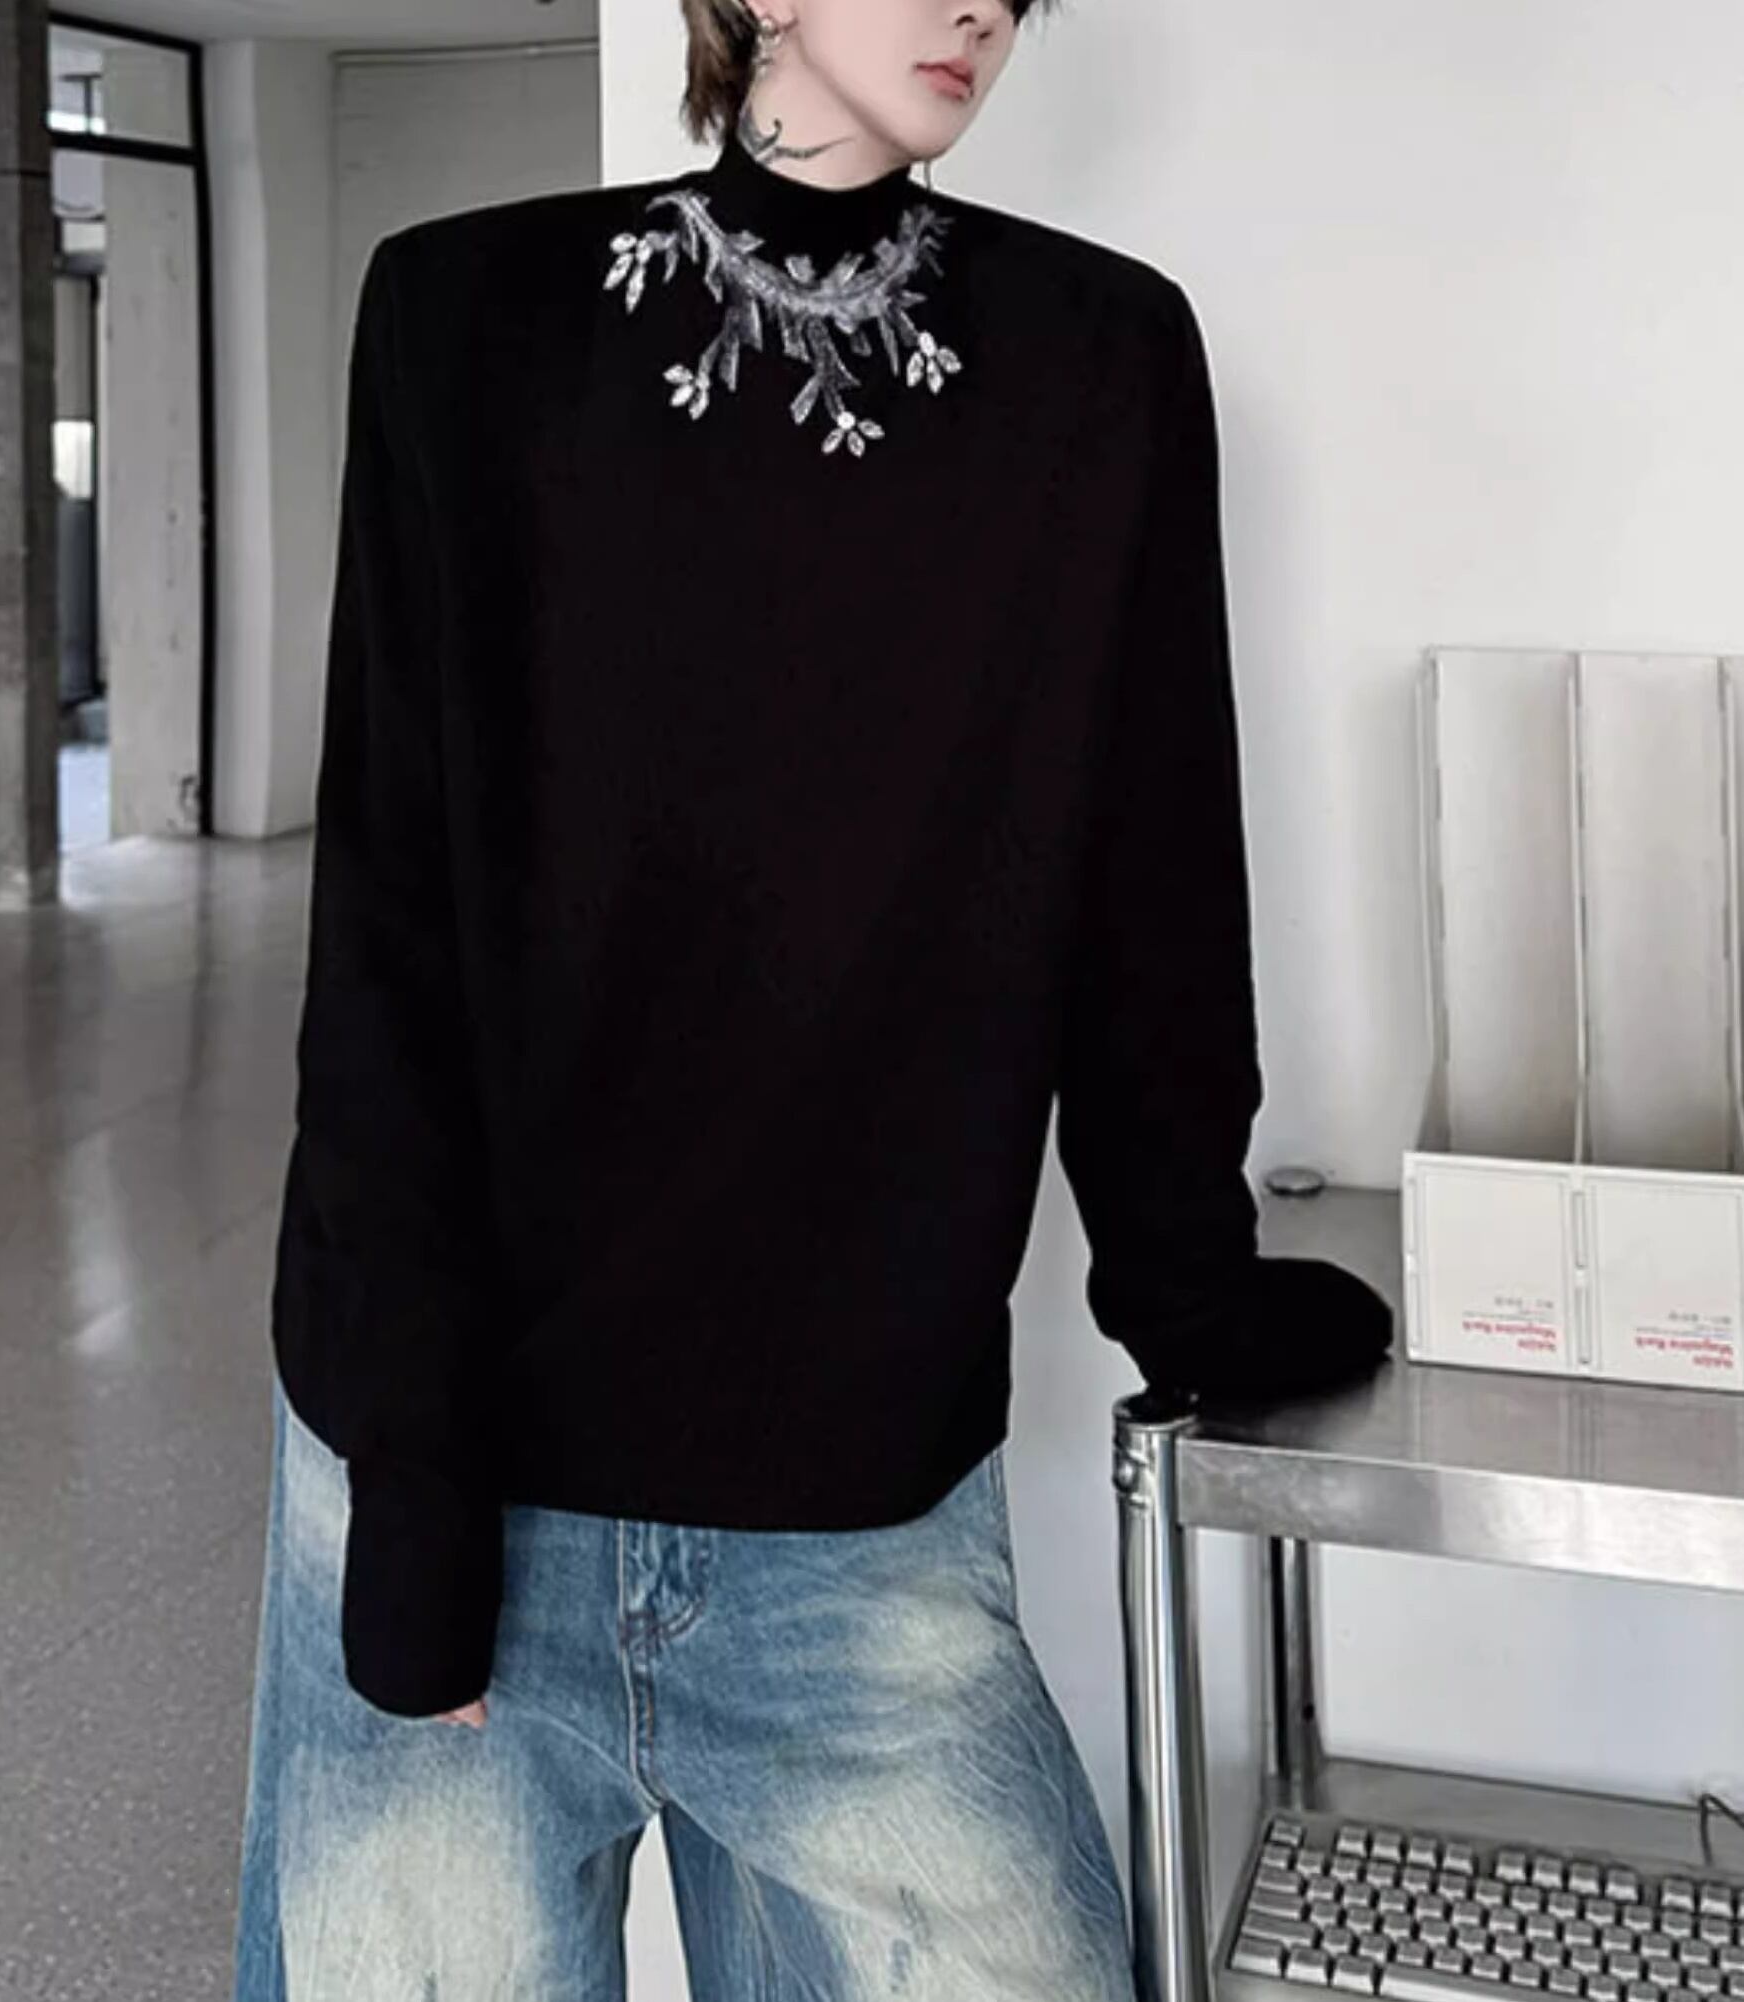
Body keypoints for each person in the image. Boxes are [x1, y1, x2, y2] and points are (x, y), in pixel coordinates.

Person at [231, 0, 1394, 1995]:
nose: (982, 6)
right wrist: (414, 1495)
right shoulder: (463, 322)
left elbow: (1149, 903)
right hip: (447, 1465)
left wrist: (1190, 1297)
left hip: (856, 1517)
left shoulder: (1097, 360)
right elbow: (389, 939)